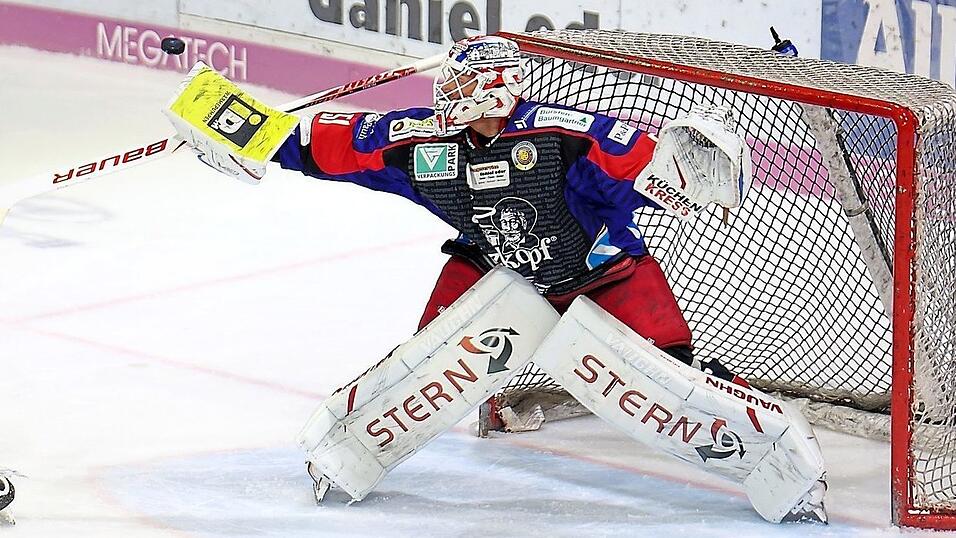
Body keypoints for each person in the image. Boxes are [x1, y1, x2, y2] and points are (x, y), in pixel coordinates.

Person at [271, 35, 748, 386]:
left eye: (463, 84)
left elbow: (643, 168)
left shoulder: (563, 136)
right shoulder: (426, 143)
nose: (448, 95)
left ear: (499, 89)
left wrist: (687, 171)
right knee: (425, 363)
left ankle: (750, 424)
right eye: (451, 83)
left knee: (674, 374)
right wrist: (254, 133)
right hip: (495, 274)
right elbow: (340, 146)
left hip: (606, 274)